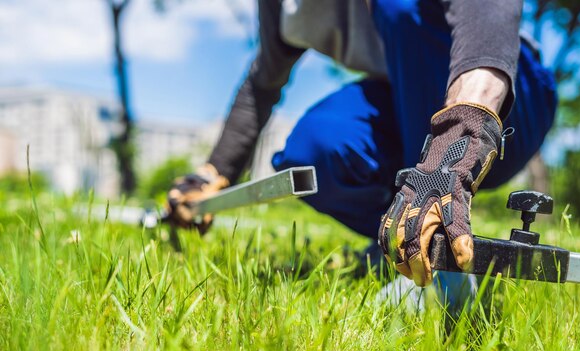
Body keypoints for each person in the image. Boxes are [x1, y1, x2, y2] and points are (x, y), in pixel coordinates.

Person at [166, 0, 557, 313]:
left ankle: (441, 265)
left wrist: (461, 132)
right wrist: (213, 173)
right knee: (314, 152)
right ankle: (402, 244)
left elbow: (487, 8)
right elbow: (261, 84)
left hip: (502, 97)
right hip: (405, 104)